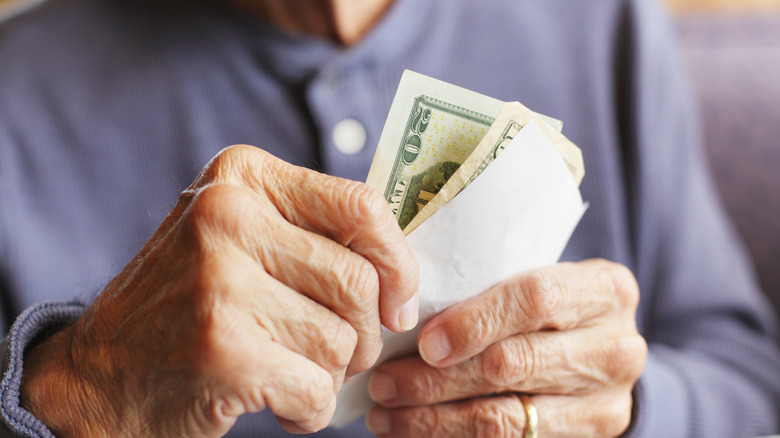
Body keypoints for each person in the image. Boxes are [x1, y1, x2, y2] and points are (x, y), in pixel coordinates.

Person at [0, 0, 778, 436]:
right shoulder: (17, 92)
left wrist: (628, 409)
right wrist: (86, 387)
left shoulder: (604, 24)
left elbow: (751, 388)